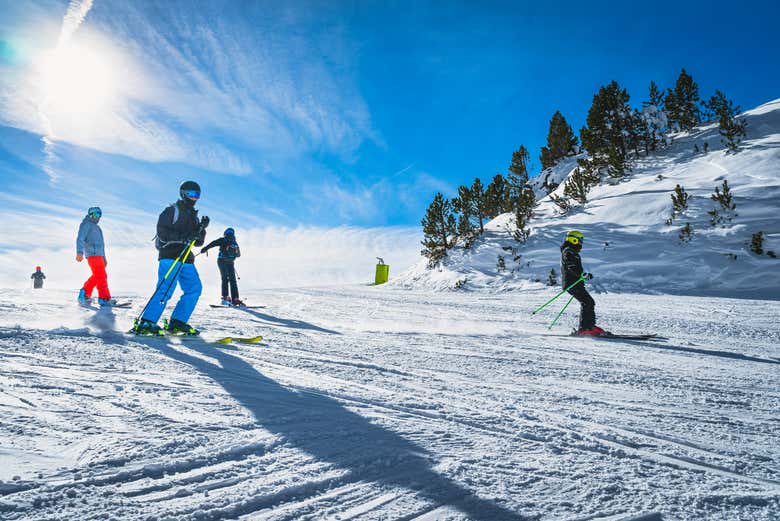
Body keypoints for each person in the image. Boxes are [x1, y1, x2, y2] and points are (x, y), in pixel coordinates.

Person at [133, 181, 209, 336]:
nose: (194, 198)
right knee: (166, 288)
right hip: (170, 255)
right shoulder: (171, 211)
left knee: (194, 289)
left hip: (186, 257)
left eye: (197, 195)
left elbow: (198, 242)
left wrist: (201, 229)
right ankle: (147, 322)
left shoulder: (193, 216)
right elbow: (162, 233)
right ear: (183, 193)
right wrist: (185, 236)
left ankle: (177, 322)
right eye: (192, 194)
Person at [560, 230, 604, 336]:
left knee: (588, 302)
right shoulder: (568, 252)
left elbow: (574, 268)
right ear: (573, 240)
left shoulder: (571, 251)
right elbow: (571, 266)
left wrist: (583, 275)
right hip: (572, 283)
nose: (581, 243)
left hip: (575, 283)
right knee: (588, 302)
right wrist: (582, 275)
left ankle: (588, 326)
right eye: (580, 240)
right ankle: (586, 329)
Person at [76, 207, 115, 306]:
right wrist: (79, 252)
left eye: (99, 215)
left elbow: (102, 245)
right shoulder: (86, 224)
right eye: (95, 214)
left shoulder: (97, 228)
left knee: (98, 276)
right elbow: (80, 238)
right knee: (101, 276)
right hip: (92, 254)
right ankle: (104, 298)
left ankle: (85, 293)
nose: (97, 217)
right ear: (90, 214)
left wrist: (104, 258)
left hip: (99, 255)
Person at [201, 228, 244, 306]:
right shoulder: (234, 242)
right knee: (233, 280)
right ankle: (235, 298)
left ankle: (225, 297)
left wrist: (205, 249)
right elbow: (238, 255)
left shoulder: (223, 239)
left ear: (225, 233)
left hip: (222, 261)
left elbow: (213, 243)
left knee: (224, 278)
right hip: (230, 262)